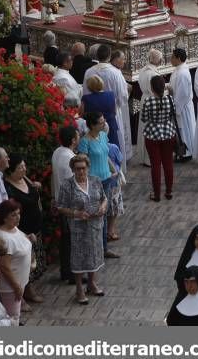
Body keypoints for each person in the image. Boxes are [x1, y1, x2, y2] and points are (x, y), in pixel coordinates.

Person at [55, 154, 107, 305]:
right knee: (79, 259)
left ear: (88, 168)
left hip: (96, 226)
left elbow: (104, 198)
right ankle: (79, 289)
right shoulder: (67, 185)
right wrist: (75, 213)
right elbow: (60, 206)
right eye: (77, 169)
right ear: (72, 169)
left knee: (94, 255)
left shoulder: (95, 181)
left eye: (83, 168)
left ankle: (91, 284)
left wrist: (103, 207)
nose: (81, 172)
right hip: (79, 228)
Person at [3, 154, 45, 305]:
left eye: (24, 166)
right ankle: (24, 294)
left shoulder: (25, 179)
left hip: (36, 227)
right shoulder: (8, 188)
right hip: (23, 230)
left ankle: (28, 288)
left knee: (34, 262)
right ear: (11, 171)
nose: (24, 169)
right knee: (24, 264)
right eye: (20, 167)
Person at [77, 111, 119, 259]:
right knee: (96, 215)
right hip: (95, 182)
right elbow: (83, 164)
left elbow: (105, 154)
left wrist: (114, 170)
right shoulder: (85, 142)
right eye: (101, 122)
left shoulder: (102, 135)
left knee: (105, 212)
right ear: (92, 125)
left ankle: (104, 247)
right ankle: (97, 248)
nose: (104, 123)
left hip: (107, 178)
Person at [83, 46, 132, 162]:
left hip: (93, 113)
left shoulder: (89, 72)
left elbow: (85, 94)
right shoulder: (115, 72)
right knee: (113, 140)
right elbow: (122, 95)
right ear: (109, 56)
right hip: (112, 112)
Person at [0, 199, 33, 321]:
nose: (18, 217)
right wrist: (16, 287)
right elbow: (4, 267)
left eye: (18, 213)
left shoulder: (13, 228)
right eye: (13, 215)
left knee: (15, 313)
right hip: (10, 287)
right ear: (4, 218)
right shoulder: (4, 238)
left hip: (20, 282)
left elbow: (21, 240)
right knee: (13, 316)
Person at [141, 76, 178, 202]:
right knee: (168, 164)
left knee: (155, 165)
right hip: (168, 133)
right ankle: (169, 191)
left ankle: (156, 194)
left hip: (152, 134)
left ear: (152, 87)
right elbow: (173, 114)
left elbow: (144, 118)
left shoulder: (148, 101)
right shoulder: (170, 99)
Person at [51, 126, 79, 284]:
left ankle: (65, 271)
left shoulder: (57, 152)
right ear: (73, 140)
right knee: (71, 240)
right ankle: (72, 273)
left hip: (60, 201)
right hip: (70, 206)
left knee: (65, 240)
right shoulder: (69, 158)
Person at [169, 48, 196, 163]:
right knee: (180, 129)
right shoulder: (178, 70)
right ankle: (181, 152)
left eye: (172, 57)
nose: (171, 59)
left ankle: (187, 152)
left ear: (178, 58)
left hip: (183, 107)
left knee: (184, 129)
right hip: (179, 104)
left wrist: (176, 108)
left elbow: (183, 93)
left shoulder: (183, 73)